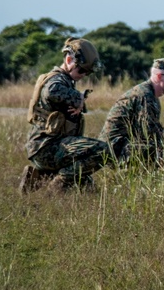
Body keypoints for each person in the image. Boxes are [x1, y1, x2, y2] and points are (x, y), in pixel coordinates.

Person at [21, 38, 110, 193]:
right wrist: (78, 98)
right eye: (81, 70)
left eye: (87, 72)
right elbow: (52, 92)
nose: (83, 75)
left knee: (89, 189)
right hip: (47, 147)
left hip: (52, 146)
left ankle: (38, 177)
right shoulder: (56, 80)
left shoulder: (66, 81)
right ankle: (56, 186)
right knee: (102, 151)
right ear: (69, 60)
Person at [99, 58, 164, 166]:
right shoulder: (145, 96)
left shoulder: (150, 94)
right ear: (159, 76)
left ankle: (143, 176)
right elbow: (148, 132)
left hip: (120, 146)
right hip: (112, 150)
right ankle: (139, 176)